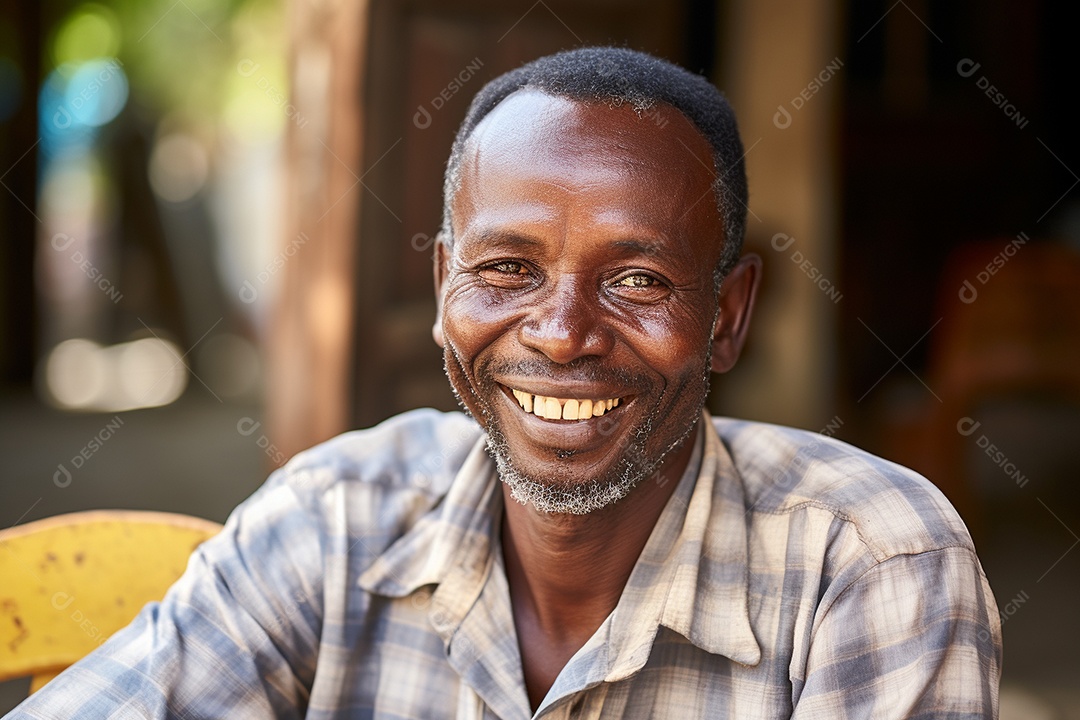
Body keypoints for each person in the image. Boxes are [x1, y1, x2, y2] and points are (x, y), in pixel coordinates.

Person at [8, 46, 1001, 719]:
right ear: (445, 289)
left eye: (638, 279)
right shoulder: (336, 517)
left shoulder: (869, 567)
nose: (563, 335)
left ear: (727, 318)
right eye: (506, 270)